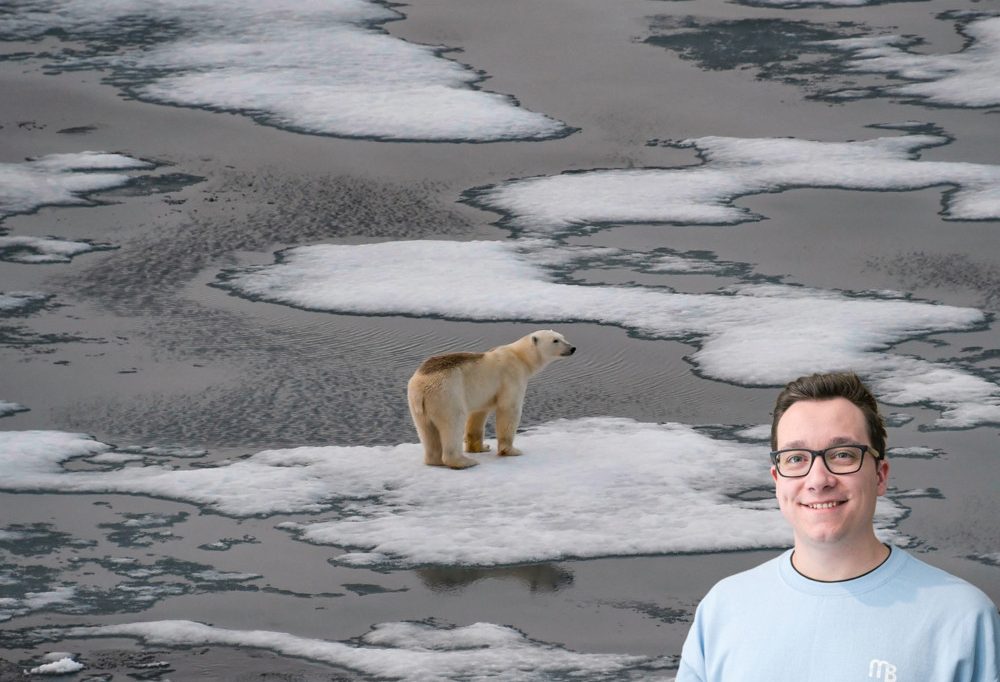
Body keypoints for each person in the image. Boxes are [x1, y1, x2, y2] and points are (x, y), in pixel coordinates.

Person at [677, 371, 1000, 682]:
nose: (818, 480)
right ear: (777, 480)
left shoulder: (961, 619)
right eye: (796, 458)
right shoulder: (724, 610)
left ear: (880, 475)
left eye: (843, 454)